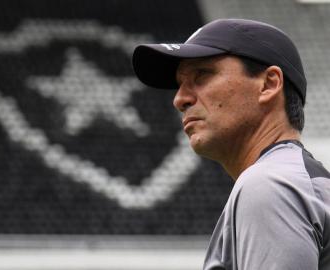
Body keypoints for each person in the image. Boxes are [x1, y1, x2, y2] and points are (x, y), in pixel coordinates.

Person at [132, 18, 330, 269]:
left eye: (201, 74)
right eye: (180, 83)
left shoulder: (271, 185)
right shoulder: (296, 180)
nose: (180, 99)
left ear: (269, 84)